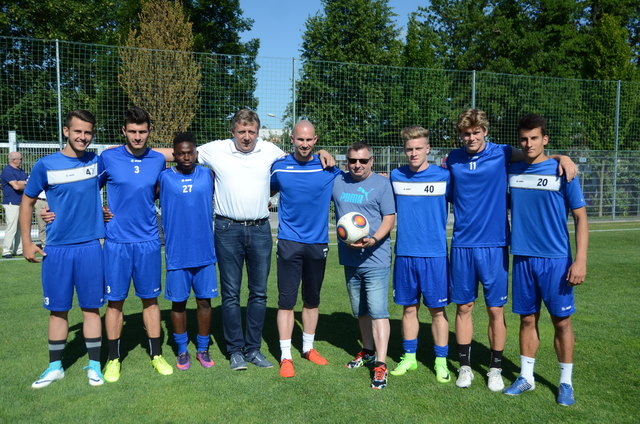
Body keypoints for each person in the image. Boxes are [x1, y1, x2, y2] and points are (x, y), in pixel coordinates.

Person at [155, 109, 334, 370]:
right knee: (230, 294)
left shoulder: (270, 150)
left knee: (259, 294)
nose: (247, 137)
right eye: (241, 132)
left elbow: (300, 152)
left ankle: (253, 349)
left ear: (258, 133)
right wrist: (130, 152)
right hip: (227, 230)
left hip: (261, 230)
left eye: (251, 132)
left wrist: (323, 154)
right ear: (232, 132)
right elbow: (175, 152)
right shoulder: (216, 149)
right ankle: (235, 350)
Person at [446, 109, 576, 391]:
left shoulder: (503, 153)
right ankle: (465, 367)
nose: (471, 137)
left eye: (476, 132)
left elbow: (534, 157)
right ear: (460, 135)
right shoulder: (453, 160)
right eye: (466, 133)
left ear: (485, 131)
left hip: (495, 244)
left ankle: (495, 369)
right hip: (462, 244)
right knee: (464, 306)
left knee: (495, 309)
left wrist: (561, 157)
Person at [503, 114, 588, 406]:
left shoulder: (563, 171)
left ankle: (566, 382)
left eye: (534, 138)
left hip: (556, 260)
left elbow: (580, 217)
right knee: (527, 319)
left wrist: (580, 261)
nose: (528, 144)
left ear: (545, 139)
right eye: (524, 139)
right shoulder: (513, 170)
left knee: (561, 322)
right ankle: (526, 377)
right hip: (523, 258)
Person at [20, 110, 105, 388]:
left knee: (91, 308)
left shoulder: (96, 162)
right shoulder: (46, 165)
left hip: (91, 246)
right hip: (57, 248)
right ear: (66, 131)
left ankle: (94, 366)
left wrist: (105, 211)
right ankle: (54, 367)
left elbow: (121, 178)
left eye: (88, 132)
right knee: (58, 310)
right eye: (78, 131)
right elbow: (28, 200)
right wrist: (27, 241)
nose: (83, 137)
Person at [99, 107, 172, 381]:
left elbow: (182, 155)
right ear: (124, 132)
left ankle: (156, 354)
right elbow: (85, 189)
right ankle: (114, 359)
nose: (138, 137)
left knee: (150, 300)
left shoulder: (156, 160)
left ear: (149, 132)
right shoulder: (108, 158)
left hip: (149, 241)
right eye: (133, 131)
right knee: (115, 302)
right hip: (117, 242)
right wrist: (99, 211)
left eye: (142, 132)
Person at [270, 120, 342, 378]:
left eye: (309, 139)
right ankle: (285, 355)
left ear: (316, 139)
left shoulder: (328, 167)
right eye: (300, 139)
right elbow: (263, 192)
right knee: (286, 301)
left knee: (312, 300)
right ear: (292, 139)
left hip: (318, 243)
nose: (304, 144)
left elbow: (355, 179)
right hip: (289, 242)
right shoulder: (279, 168)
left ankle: (308, 349)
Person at [389, 126, 452, 384]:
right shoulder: (396, 176)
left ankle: (441, 361)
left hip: (435, 255)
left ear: (428, 149)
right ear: (404, 150)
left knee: (437, 311)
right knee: (409, 309)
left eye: (418, 148)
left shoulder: (445, 176)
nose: (413, 153)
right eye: (409, 149)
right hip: (405, 253)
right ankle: (410, 357)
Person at [333, 142, 396, 390]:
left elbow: (389, 217)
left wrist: (374, 239)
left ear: (371, 162)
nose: (357, 165)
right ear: (346, 162)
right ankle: (368, 350)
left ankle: (380, 364)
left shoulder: (381, 184)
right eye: (352, 161)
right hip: (350, 259)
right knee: (361, 310)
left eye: (362, 161)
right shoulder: (339, 181)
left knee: (379, 311)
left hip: (376, 258)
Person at [158, 133, 218, 371]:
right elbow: (139, 197)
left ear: (196, 153)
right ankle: (182, 350)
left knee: (204, 302)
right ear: (173, 155)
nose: (185, 157)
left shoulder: (207, 174)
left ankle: (203, 348)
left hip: (204, 252)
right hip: (177, 255)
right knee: (179, 304)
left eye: (190, 152)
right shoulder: (163, 178)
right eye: (180, 153)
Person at [2, 151, 27, 258]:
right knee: (11, 227)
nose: (21, 161)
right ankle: (6, 250)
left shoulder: (21, 171)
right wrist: (22, 183)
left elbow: (27, 183)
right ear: (14, 160)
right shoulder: (7, 170)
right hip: (11, 202)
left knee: (20, 227)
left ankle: (18, 249)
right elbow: (16, 186)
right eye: (20, 159)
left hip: (21, 201)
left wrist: (20, 183)